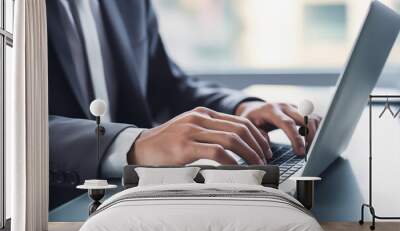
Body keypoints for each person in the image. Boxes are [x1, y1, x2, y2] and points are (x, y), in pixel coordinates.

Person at [47, 0, 321, 194]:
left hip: (135, 196)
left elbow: (167, 87)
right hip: (48, 209)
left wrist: (239, 108)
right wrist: (132, 145)